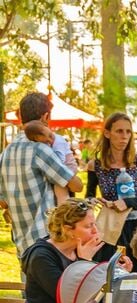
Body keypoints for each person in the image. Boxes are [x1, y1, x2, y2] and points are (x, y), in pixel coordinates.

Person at [21, 199, 132, 303]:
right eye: (88, 226)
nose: (95, 230)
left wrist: (118, 273)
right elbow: (70, 300)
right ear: (68, 229)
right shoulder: (41, 257)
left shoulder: (87, 246)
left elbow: (102, 288)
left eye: (94, 224)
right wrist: (83, 261)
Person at [0, 92, 83, 256]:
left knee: (29, 282)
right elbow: (76, 185)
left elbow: (3, 202)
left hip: (21, 239)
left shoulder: (6, 152)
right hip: (45, 238)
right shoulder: (39, 149)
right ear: (45, 116)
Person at [86, 112, 137, 260]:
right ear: (107, 133)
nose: (124, 136)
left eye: (128, 132)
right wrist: (93, 202)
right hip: (110, 228)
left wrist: (127, 203)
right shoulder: (96, 165)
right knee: (111, 272)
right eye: (119, 131)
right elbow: (89, 195)